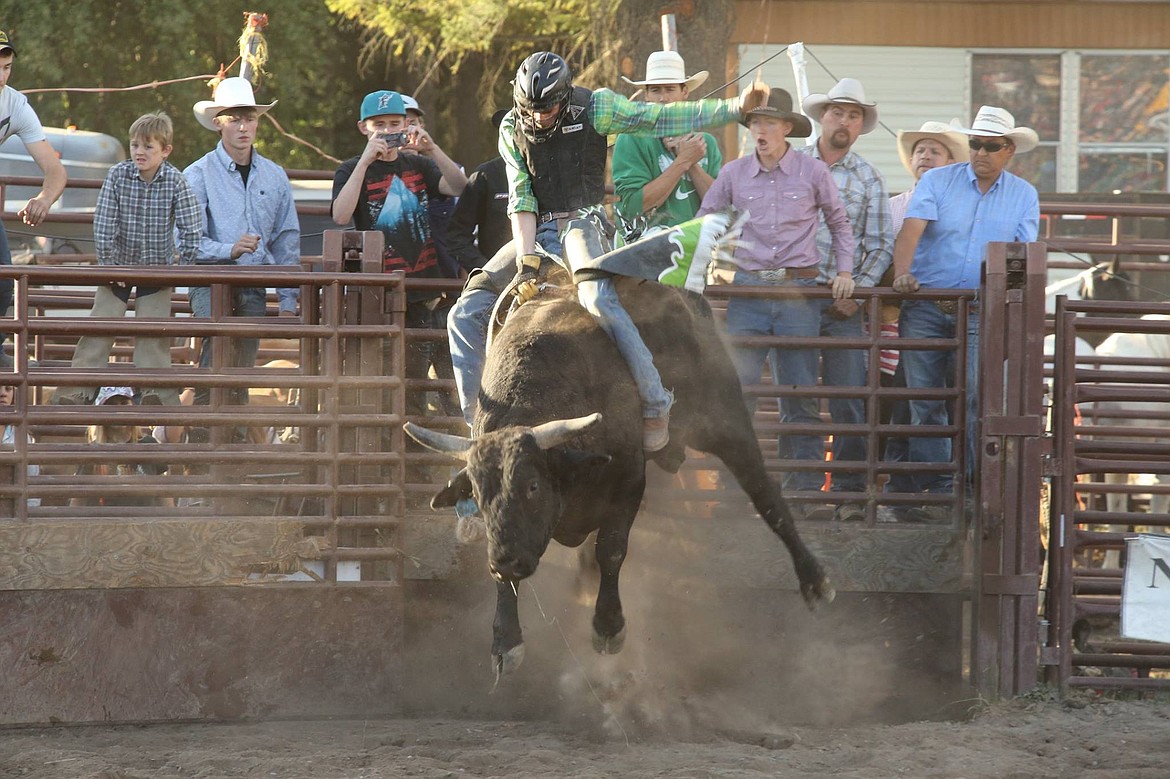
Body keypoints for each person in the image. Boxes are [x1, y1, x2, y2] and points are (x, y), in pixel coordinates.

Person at [448, 51, 769, 448]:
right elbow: (522, 196)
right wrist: (527, 261)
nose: (539, 118)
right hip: (536, 226)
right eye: (532, 109)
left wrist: (735, 107)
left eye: (548, 109)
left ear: (564, 98)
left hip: (584, 220)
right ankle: (478, 430)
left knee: (597, 295)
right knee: (465, 311)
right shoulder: (512, 125)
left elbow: (659, 118)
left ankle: (654, 400)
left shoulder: (597, 107)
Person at [697, 88, 855, 519]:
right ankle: (732, 492)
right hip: (748, 292)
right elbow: (705, 221)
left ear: (787, 128)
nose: (759, 131)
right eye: (754, 123)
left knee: (799, 394)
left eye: (768, 123)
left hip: (797, 293)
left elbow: (839, 223)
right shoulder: (733, 173)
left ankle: (802, 491)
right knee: (738, 392)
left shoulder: (812, 172)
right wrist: (700, 270)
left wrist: (844, 272)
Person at [891, 105, 1040, 521]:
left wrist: (1008, 303)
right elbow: (911, 231)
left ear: (1008, 150)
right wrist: (902, 273)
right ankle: (940, 488)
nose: (981, 153)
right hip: (926, 304)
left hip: (980, 308)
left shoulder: (1023, 195)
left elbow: (1021, 259)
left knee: (975, 397)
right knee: (926, 400)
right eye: (976, 144)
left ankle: (971, 488)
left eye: (991, 146)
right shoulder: (939, 181)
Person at [783, 77, 893, 520]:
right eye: (837, 112)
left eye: (853, 115)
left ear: (860, 124)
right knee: (798, 396)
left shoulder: (868, 178)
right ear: (821, 117)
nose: (844, 121)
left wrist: (858, 289)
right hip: (794, 297)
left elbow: (881, 242)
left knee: (850, 397)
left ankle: (849, 492)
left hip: (843, 300)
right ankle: (804, 490)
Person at [331, 89, 467, 420]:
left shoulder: (419, 165)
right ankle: (398, 461)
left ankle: (430, 458)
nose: (389, 131)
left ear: (406, 125)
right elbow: (340, 215)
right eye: (380, 124)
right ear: (364, 128)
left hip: (426, 291)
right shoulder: (351, 169)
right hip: (384, 294)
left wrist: (432, 149)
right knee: (393, 383)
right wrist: (365, 161)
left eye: (395, 123)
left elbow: (460, 186)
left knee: (434, 383)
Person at [52, 112, 202, 407]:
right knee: (100, 327)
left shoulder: (175, 181)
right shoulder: (118, 175)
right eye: (135, 145)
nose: (139, 152)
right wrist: (109, 265)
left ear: (165, 151)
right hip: (118, 265)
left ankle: (156, 393)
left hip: (157, 268)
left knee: (153, 331)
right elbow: (105, 222)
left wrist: (182, 265)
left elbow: (191, 224)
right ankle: (76, 391)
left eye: (148, 147)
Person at [185, 76, 300, 407]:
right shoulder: (198, 174)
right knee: (217, 351)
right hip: (208, 279)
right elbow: (188, 241)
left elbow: (286, 239)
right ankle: (205, 440)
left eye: (249, 118)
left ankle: (231, 442)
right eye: (235, 118)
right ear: (219, 123)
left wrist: (288, 300)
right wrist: (228, 249)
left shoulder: (274, 175)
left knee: (242, 364)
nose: (243, 127)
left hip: (253, 279)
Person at [879, 121, 968, 517]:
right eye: (920, 151)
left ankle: (931, 484)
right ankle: (907, 486)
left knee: (937, 399)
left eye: (935, 151)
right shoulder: (896, 206)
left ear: (950, 162)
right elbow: (879, 258)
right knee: (910, 402)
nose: (926, 157)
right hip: (903, 318)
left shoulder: (963, 207)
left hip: (947, 315)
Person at [0, 30, 67, 367]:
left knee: (3, 285)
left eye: (7, 67)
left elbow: (56, 171)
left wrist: (44, 198)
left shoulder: (15, 104)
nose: (1, 76)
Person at [612, 51, 722, 240]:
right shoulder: (631, 138)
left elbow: (720, 206)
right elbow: (632, 208)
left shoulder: (706, 144)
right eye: (655, 90)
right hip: (646, 251)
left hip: (700, 250)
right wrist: (683, 161)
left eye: (670, 89)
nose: (663, 98)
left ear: (684, 92)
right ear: (646, 95)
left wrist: (692, 163)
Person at [71, 386, 170, 508]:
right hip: (105, 523)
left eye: (124, 403)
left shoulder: (148, 443)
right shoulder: (93, 451)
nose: (119, 409)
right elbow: (78, 498)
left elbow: (164, 492)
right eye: (111, 405)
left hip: (144, 522)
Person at [446, 109, 512, 274]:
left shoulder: (558, 174)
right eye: (507, 129)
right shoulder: (486, 175)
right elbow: (456, 234)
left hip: (551, 279)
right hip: (495, 285)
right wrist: (487, 271)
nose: (514, 135)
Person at [0, 381, 40, 509]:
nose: (3, 394)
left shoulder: (21, 436)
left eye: (8, 389)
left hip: (10, 510)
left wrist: (30, 511)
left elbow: (31, 477)